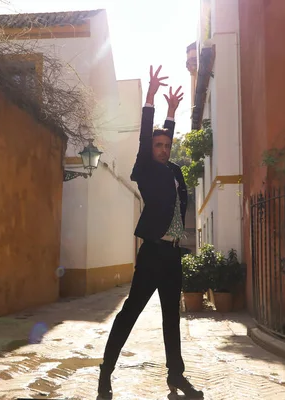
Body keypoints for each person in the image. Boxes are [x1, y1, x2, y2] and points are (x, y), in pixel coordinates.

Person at [97, 65, 204, 399]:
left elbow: (167, 136)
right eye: (158, 144)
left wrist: (172, 114)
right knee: (130, 313)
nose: (163, 148)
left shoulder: (173, 169)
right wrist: (151, 99)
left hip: (173, 255)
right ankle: (105, 373)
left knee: (172, 319)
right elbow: (146, 137)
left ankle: (176, 377)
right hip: (152, 253)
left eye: (166, 145)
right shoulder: (145, 167)